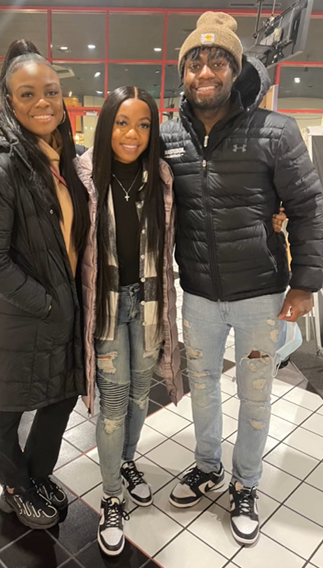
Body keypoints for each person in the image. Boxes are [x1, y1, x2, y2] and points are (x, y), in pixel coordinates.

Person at [160, 12, 323, 545]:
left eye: (218, 61)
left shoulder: (273, 132)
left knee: (256, 394)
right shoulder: (168, 135)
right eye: (195, 62)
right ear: (184, 73)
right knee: (201, 389)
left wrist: (305, 283)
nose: (205, 71)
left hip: (260, 294)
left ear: (235, 70)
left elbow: (306, 208)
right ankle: (207, 466)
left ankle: (245, 483)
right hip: (199, 296)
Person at [0, 40, 89, 530]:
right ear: (8, 101)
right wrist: (44, 302)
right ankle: (15, 487)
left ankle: (36, 475)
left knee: (60, 396)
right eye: (27, 94)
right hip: (17, 317)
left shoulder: (65, 160)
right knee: (4, 407)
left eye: (51, 91)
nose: (43, 102)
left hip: (62, 310)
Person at [77, 86, 182, 556]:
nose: (132, 134)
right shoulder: (84, 176)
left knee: (142, 392)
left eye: (143, 124)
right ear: (106, 125)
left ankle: (127, 463)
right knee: (114, 399)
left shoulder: (160, 176)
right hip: (105, 306)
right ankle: (111, 495)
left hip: (149, 301)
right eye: (122, 123)